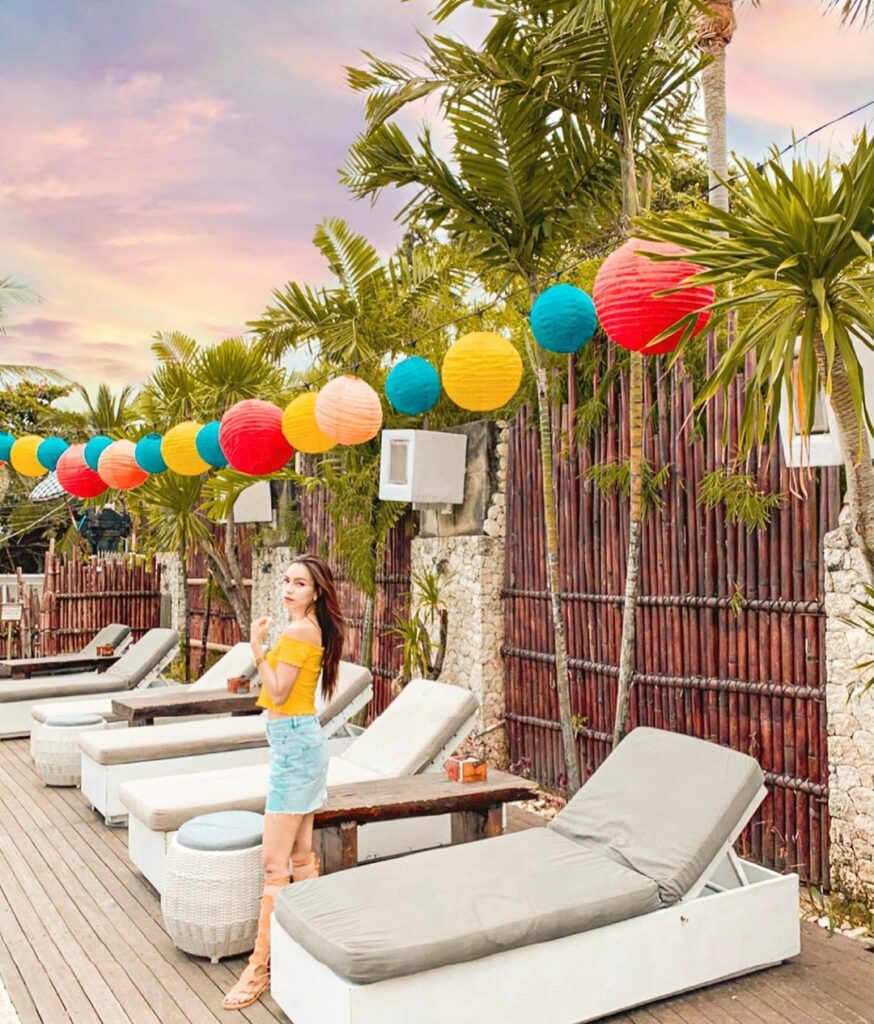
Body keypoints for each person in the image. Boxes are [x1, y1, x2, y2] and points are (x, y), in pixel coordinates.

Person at [223, 554, 344, 1011]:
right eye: (288, 581)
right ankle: (306, 952)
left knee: (275, 864)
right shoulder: (306, 628)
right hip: (296, 743)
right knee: (299, 856)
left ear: (316, 592)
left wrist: (256, 647)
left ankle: (259, 967)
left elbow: (276, 692)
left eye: (300, 583)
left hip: (295, 747)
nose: (289, 589)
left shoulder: (299, 632)